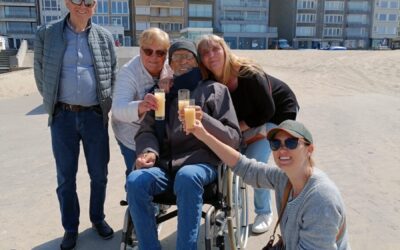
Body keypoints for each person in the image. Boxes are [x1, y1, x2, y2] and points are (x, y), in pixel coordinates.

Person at [126, 40, 241, 250]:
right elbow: (146, 131)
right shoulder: (162, 94)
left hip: (200, 165)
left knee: (187, 176)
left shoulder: (215, 90)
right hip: (164, 167)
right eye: (176, 57)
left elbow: (232, 137)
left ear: (198, 63)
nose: (182, 61)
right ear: (170, 64)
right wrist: (149, 151)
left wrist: (204, 119)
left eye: (188, 56)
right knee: (135, 180)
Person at [186, 119, 350, 249]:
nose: (282, 149)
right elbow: (245, 167)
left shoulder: (321, 199)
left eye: (291, 142)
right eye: (275, 144)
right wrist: (204, 135)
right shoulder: (284, 178)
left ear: (309, 149)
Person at [33, 0, 117, 249]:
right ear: (67, 3)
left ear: (96, 5)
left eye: (89, 1)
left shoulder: (104, 37)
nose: (83, 6)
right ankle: (70, 227)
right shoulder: (47, 34)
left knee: (99, 174)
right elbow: (39, 72)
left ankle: (98, 218)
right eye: (77, 0)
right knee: (66, 178)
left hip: (94, 117)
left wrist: (104, 106)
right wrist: (53, 104)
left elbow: (112, 72)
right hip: (63, 118)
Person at [197, 34, 299, 234]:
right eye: (205, 52)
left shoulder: (248, 73)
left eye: (215, 49)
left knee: (253, 159)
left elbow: (267, 110)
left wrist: (238, 131)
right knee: (226, 156)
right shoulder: (208, 80)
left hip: (277, 115)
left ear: (225, 50)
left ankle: (264, 211)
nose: (211, 55)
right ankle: (228, 208)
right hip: (247, 119)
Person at [111, 27, 170, 176]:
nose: (154, 57)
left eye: (160, 52)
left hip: (159, 133)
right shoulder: (128, 72)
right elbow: (118, 109)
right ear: (140, 50)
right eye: (148, 51)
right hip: (131, 133)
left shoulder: (170, 67)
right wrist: (141, 106)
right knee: (137, 173)